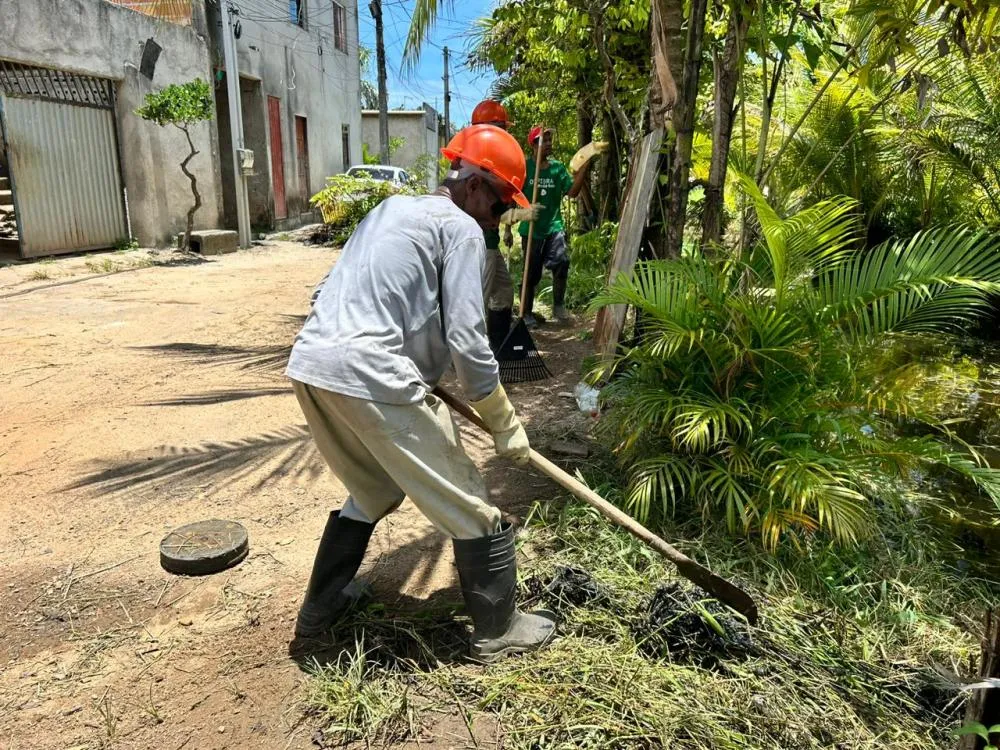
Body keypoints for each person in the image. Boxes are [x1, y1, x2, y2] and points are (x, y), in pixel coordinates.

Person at [285, 124, 557, 662]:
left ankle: (324, 604)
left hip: (312, 364)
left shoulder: (389, 212)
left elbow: (338, 294)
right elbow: (465, 335)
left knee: (373, 487)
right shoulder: (459, 229)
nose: (498, 220)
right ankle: (498, 629)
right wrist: (504, 422)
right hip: (371, 373)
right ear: (476, 186)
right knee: (471, 501)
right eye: (500, 204)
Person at [505, 126, 591, 327]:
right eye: (545, 141)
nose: (550, 144)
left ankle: (559, 306)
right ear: (534, 145)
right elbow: (511, 197)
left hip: (554, 227)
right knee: (531, 273)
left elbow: (572, 193)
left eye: (551, 140)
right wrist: (508, 229)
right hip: (531, 229)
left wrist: (583, 170)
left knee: (562, 262)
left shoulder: (557, 169)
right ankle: (526, 313)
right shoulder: (524, 168)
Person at [470, 100, 536, 350]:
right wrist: (517, 216)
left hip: (490, 241)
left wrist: (509, 223)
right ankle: (470, 353)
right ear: (491, 127)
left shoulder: (490, 160)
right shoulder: (478, 163)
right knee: (478, 300)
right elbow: (483, 208)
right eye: (502, 128)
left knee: (504, 292)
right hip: (478, 243)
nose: (506, 134)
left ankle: (498, 345)